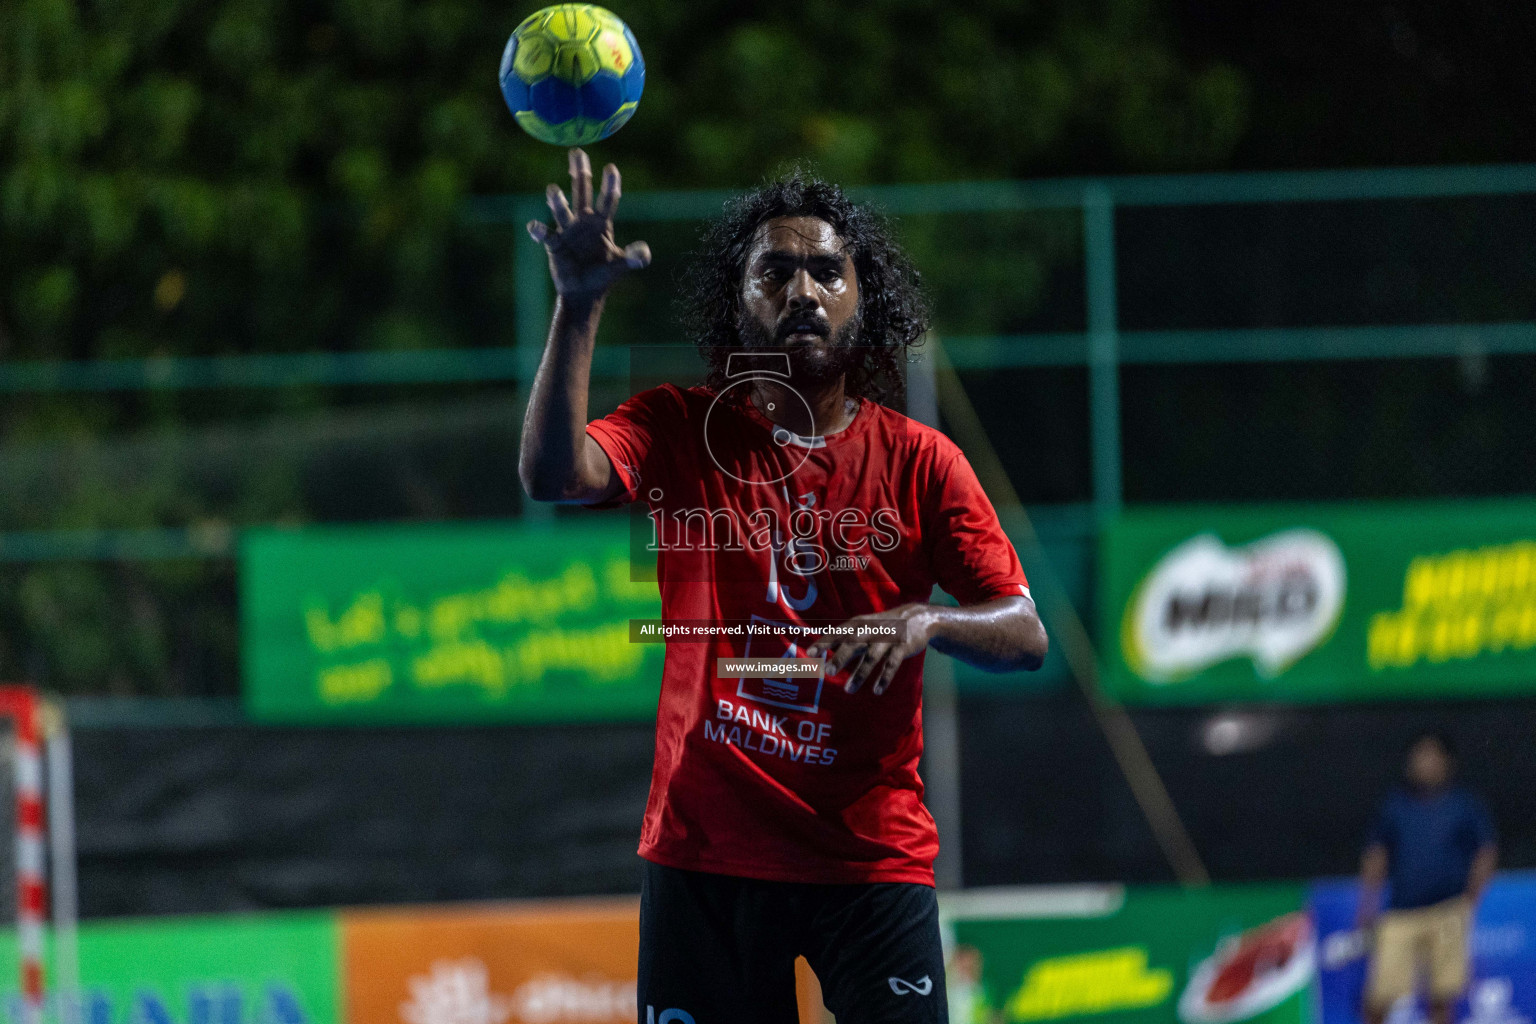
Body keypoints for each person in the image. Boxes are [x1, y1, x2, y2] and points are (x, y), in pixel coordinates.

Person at [519, 149, 1048, 1024]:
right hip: (707, 854)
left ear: (861, 299)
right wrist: (577, 308)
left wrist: (928, 620)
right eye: (775, 271)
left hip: (868, 859)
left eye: (826, 271)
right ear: (740, 302)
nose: (803, 290)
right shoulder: (679, 427)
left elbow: (1025, 631)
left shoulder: (922, 463)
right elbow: (552, 475)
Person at [1357, 730, 1498, 1024]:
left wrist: (1470, 898)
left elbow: (1486, 850)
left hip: (1448, 911)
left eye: (1432, 756)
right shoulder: (1395, 805)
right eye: (1420, 756)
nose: (1425, 763)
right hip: (1401, 912)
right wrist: (1368, 903)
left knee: (1442, 997)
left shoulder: (1463, 803)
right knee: (1378, 997)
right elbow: (1376, 854)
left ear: (1446, 763)